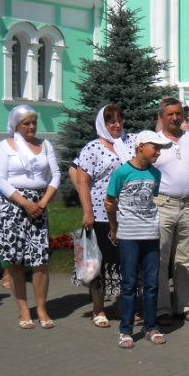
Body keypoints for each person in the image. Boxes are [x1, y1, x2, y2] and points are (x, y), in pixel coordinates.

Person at [0, 105, 61, 329]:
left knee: (40, 260)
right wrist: (24, 203)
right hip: (12, 205)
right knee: (15, 261)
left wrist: (42, 202)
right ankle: (24, 309)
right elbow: (0, 179)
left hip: (38, 205)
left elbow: (56, 174)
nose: (31, 126)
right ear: (16, 125)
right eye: (26, 123)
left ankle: (41, 308)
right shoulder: (5, 146)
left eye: (33, 122)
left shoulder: (45, 144)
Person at [105, 130, 168, 349]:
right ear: (141, 146)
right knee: (129, 284)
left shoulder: (155, 174)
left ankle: (151, 326)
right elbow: (109, 202)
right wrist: (114, 228)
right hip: (129, 235)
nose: (158, 153)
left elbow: (152, 201)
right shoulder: (122, 173)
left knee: (151, 284)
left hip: (150, 234)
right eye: (155, 148)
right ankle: (126, 329)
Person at [73, 105, 133, 328]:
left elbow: (154, 138)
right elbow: (82, 182)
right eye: (111, 122)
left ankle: (119, 304)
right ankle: (98, 309)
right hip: (100, 214)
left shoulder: (130, 143)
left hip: (128, 213)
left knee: (123, 261)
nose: (117, 125)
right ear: (102, 124)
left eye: (119, 120)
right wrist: (87, 212)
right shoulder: (93, 148)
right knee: (100, 263)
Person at [152, 97, 189, 324]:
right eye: (170, 114)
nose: (175, 118)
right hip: (162, 206)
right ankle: (162, 309)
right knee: (160, 258)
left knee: (185, 259)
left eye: (178, 114)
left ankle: (186, 306)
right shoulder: (152, 142)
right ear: (161, 117)